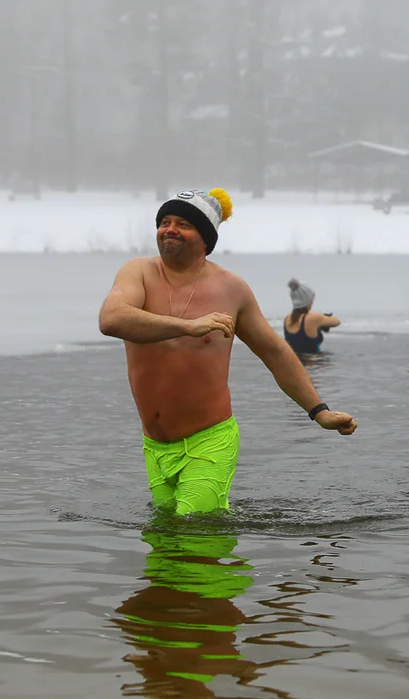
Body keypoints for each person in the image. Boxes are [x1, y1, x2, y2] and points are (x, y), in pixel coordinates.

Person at [98, 188, 357, 516]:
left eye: (183, 224)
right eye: (164, 221)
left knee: (195, 530)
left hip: (210, 439)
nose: (170, 229)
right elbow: (111, 319)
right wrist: (189, 327)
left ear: (205, 238)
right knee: (163, 542)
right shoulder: (138, 273)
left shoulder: (231, 289)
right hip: (155, 445)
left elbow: (275, 352)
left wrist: (319, 411)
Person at [283, 278, 340, 354]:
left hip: (293, 364)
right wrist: (322, 318)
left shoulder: (287, 319)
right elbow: (336, 321)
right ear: (306, 300)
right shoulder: (314, 318)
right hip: (313, 364)